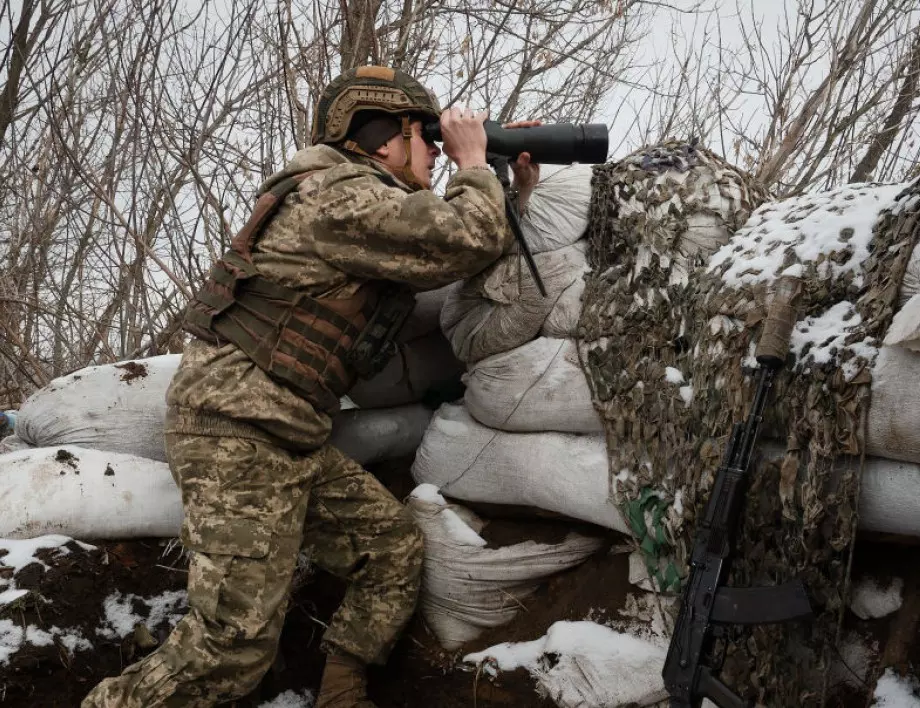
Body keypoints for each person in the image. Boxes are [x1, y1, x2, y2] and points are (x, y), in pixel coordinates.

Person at [82, 65, 539, 708]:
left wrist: (510, 192)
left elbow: (455, 252)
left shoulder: (367, 208)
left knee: (390, 551)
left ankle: (340, 694)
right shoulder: (334, 193)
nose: (437, 150)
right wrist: (473, 164)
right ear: (382, 138)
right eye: (426, 135)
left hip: (284, 433)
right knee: (231, 649)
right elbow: (461, 238)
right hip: (236, 428)